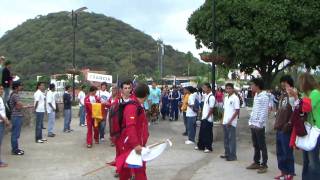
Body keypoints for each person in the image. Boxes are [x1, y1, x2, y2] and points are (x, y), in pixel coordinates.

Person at [289, 73, 320, 180]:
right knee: (306, 160)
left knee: (312, 160)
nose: (299, 84)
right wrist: (293, 97)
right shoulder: (305, 94)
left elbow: (306, 108)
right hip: (308, 128)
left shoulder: (315, 93)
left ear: (305, 82)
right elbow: (297, 107)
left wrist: (296, 96)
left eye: (301, 82)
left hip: (315, 129)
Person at [116, 83, 150, 180]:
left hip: (135, 144)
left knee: (128, 171)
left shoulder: (137, 105)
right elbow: (130, 127)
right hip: (131, 145)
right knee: (137, 171)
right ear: (146, 95)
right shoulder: (132, 107)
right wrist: (136, 145)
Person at [273, 75, 295, 180]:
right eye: (282, 82)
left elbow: (295, 108)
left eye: (285, 82)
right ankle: (283, 172)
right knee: (280, 151)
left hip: (287, 127)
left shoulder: (293, 93)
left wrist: (289, 124)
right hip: (279, 126)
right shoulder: (282, 94)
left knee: (287, 152)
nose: (283, 84)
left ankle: (290, 173)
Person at [246, 78, 270, 174]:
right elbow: (254, 110)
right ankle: (256, 162)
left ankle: (264, 165)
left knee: (262, 145)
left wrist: (259, 124)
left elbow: (264, 112)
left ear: (257, 86)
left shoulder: (265, 97)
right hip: (253, 124)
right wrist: (251, 122)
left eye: (252, 85)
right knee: (255, 144)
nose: (251, 87)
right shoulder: (256, 95)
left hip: (259, 125)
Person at [221, 83, 240, 161]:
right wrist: (222, 119)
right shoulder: (226, 98)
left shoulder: (235, 98)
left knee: (231, 139)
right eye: (227, 88)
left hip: (231, 122)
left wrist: (231, 121)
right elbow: (224, 110)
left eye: (229, 88)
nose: (228, 90)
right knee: (226, 139)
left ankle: (233, 155)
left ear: (233, 89)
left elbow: (237, 111)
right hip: (225, 121)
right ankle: (227, 153)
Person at [195, 83, 215, 153]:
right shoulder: (206, 95)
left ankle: (208, 147)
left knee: (208, 134)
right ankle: (201, 146)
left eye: (205, 88)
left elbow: (211, 109)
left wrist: (207, 117)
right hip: (204, 117)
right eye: (203, 87)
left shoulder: (211, 97)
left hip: (208, 119)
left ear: (209, 88)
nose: (203, 89)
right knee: (202, 133)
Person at [9, 81, 24, 155]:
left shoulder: (14, 94)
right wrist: (21, 105)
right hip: (16, 116)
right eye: (20, 85)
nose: (21, 87)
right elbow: (19, 105)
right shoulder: (15, 95)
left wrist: (21, 105)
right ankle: (14, 150)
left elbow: (19, 105)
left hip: (16, 116)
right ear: (16, 87)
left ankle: (16, 148)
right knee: (15, 134)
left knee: (16, 133)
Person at [0, 84, 11, 167]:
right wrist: (5, 120)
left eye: (2, 89)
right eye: (0, 89)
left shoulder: (0, 98)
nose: (2, 90)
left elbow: (2, 111)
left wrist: (6, 119)